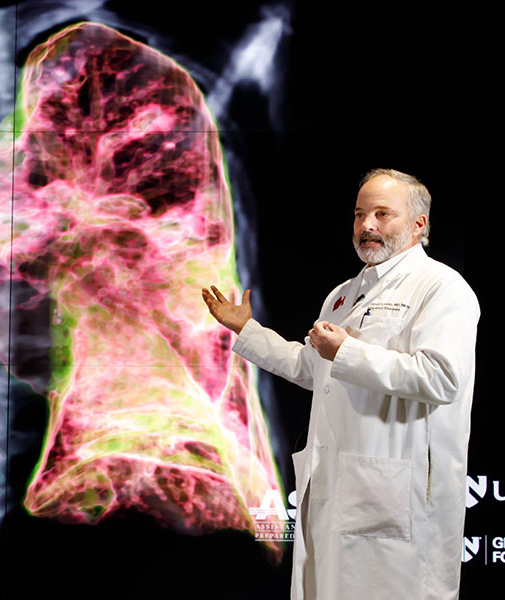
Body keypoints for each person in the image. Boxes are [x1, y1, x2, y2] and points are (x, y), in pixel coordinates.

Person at [201, 168, 479, 600]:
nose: (367, 226)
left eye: (383, 214)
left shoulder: (442, 288)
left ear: (418, 224)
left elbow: (441, 377)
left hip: (395, 497)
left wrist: (346, 351)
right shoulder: (343, 294)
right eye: (359, 214)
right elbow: (316, 369)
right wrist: (248, 331)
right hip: (336, 488)